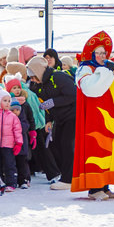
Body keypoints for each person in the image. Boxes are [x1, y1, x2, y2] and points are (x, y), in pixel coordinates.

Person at [72, 27, 114, 199]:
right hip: (94, 120)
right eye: (98, 53)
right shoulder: (85, 69)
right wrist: (107, 70)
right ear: (91, 54)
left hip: (111, 118)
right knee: (96, 150)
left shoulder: (108, 66)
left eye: (103, 53)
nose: (101, 56)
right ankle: (95, 189)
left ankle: (105, 185)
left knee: (110, 151)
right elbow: (92, 89)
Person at [27, 54, 77, 189]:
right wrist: (48, 120)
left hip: (72, 115)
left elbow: (74, 94)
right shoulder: (40, 84)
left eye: (33, 76)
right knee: (56, 146)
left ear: (39, 71)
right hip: (59, 118)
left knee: (67, 145)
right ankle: (65, 175)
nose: (33, 80)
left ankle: (68, 179)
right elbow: (45, 103)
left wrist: (54, 102)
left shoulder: (58, 77)